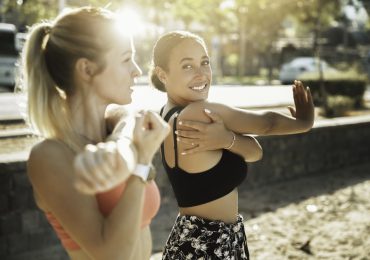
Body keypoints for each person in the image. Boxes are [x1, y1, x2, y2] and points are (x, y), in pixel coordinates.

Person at [20, 7, 170, 260]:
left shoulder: (114, 128)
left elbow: (126, 118)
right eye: (125, 59)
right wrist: (141, 163)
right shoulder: (49, 155)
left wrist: (119, 146)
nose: (137, 70)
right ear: (87, 70)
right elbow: (112, 254)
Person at [150, 31, 314, 259]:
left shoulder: (166, 115)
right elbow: (265, 124)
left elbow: (256, 151)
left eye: (204, 62)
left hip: (193, 242)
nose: (201, 73)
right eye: (187, 66)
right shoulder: (199, 113)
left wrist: (226, 139)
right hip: (211, 246)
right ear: (162, 74)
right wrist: (304, 123)